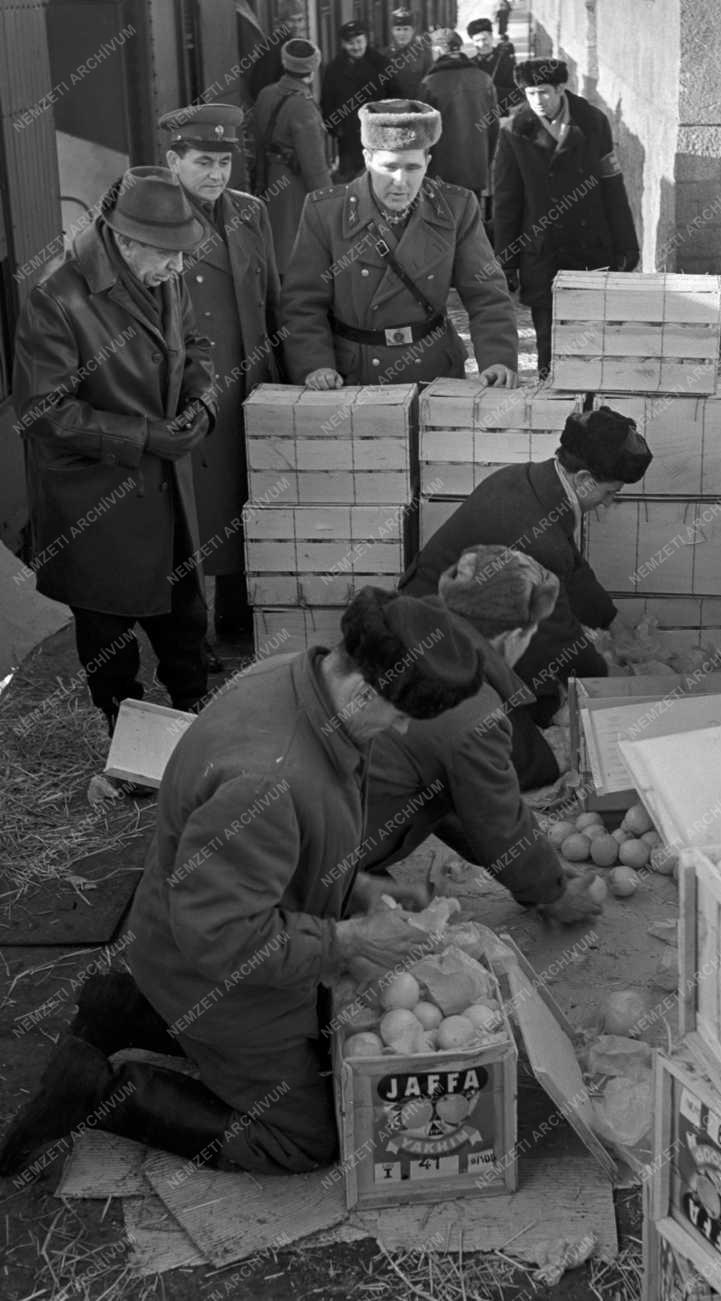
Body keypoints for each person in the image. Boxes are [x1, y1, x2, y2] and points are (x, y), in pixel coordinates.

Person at [0, 589, 486, 1179]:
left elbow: (278, 850)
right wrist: (350, 941)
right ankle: (100, 1090)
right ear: (362, 690)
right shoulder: (268, 779)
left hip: (185, 930)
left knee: (321, 1045)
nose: (404, 729)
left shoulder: (296, 675)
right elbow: (225, 939)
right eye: (401, 713)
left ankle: (124, 1009)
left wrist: (352, 885)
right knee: (308, 1136)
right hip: (211, 969)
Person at [12, 167, 215, 736]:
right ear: (125, 241)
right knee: (108, 628)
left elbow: (195, 346)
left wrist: (203, 402)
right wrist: (145, 436)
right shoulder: (55, 296)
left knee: (185, 616)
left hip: (165, 485)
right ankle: (124, 733)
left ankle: (192, 712)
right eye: (167, 255)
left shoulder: (161, 273)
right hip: (94, 497)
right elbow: (42, 410)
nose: (179, 268)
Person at [400, 406, 652, 731]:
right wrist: (611, 681)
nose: (607, 504)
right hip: (430, 635)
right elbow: (557, 634)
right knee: (528, 720)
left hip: (446, 606)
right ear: (585, 479)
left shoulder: (532, 480)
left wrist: (613, 623)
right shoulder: (538, 535)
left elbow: (571, 569)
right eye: (609, 493)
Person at [365, 547, 612, 875]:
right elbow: (494, 817)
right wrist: (553, 891)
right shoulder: (470, 704)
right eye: (532, 633)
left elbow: (448, 795)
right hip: (318, 860)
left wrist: (522, 862)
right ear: (513, 637)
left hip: (324, 826)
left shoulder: (399, 638)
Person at [281, 99, 518, 389]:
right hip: (354, 378)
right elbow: (302, 303)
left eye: (412, 167)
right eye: (389, 167)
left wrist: (497, 360)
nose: (400, 181)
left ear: (427, 163)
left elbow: (487, 294)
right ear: (368, 159)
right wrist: (315, 365)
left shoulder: (456, 208)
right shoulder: (326, 212)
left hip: (433, 372)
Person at [160, 103, 281, 642]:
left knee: (247, 500)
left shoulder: (251, 212)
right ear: (173, 160)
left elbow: (272, 299)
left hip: (251, 382)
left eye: (224, 163)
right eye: (203, 162)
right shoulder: (154, 218)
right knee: (197, 515)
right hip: (193, 389)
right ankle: (194, 637)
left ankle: (240, 623)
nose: (216, 175)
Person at [492, 58, 640, 379]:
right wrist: (506, 261)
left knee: (591, 338)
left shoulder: (593, 122)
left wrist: (626, 244)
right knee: (548, 339)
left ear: (561, 88)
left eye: (543, 92)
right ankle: (552, 406)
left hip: (591, 248)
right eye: (530, 93)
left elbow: (611, 184)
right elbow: (506, 202)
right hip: (543, 253)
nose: (537, 101)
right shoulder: (514, 132)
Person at [251, 38, 332, 268]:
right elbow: (315, 167)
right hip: (294, 189)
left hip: (268, 179)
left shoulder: (266, 94)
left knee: (274, 245)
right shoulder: (303, 107)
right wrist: (329, 205)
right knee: (294, 253)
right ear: (312, 69)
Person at [418, 30, 498, 202]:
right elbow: (493, 129)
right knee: (471, 218)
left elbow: (422, 134)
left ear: (438, 50)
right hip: (475, 168)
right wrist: (485, 160)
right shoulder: (484, 79)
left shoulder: (430, 83)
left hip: (441, 172)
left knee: (443, 220)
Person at [320, 20, 394, 182]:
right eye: (350, 43)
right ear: (343, 44)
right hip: (348, 140)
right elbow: (327, 101)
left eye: (359, 41)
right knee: (351, 184)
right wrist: (336, 128)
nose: (356, 47)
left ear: (366, 40)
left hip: (379, 136)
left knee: (380, 180)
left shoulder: (381, 64)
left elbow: (395, 97)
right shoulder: (334, 69)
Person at [467, 17, 520, 118]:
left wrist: (492, 91)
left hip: (501, 118)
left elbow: (517, 94)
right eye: (477, 40)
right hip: (474, 119)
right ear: (473, 42)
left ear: (491, 37)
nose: (481, 44)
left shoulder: (507, 62)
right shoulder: (469, 64)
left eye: (484, 39)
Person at [383, 7, 434, 100]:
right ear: (392, 31)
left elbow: (430, 82)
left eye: (406, 29)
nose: (402, 33)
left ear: (413, 30)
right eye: (398, 29)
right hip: (392, 108)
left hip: (417, 106)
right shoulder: (385, 54)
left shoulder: (424, 53)